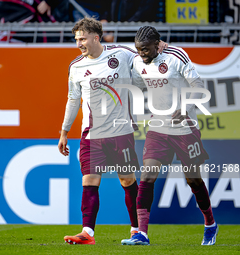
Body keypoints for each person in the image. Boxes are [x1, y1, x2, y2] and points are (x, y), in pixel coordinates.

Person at [58, 17, 167, 245]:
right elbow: (72, 99)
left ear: (95, 37)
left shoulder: (122, 54)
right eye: (76, 39)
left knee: (127, 181)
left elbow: (145, 59)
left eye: (82, 38)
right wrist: (64, 132)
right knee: (89, 181)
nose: (79, 43)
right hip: (91, 135)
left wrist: (160, 49)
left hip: (120, 133)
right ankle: (87, 233)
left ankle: (137, 230)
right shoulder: (76, 67)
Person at [121, 26, 218, 246]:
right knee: (147, 177)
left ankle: (210, 223)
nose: (141, 54)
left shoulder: (177, 56)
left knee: (193, 179)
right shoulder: (137, 62)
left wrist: (185, 107)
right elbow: (131, 87)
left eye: (145, 49)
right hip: (159, 127)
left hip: (185, 128)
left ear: (158, 44)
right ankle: (141, 234)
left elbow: (199, 86)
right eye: (138, 49)